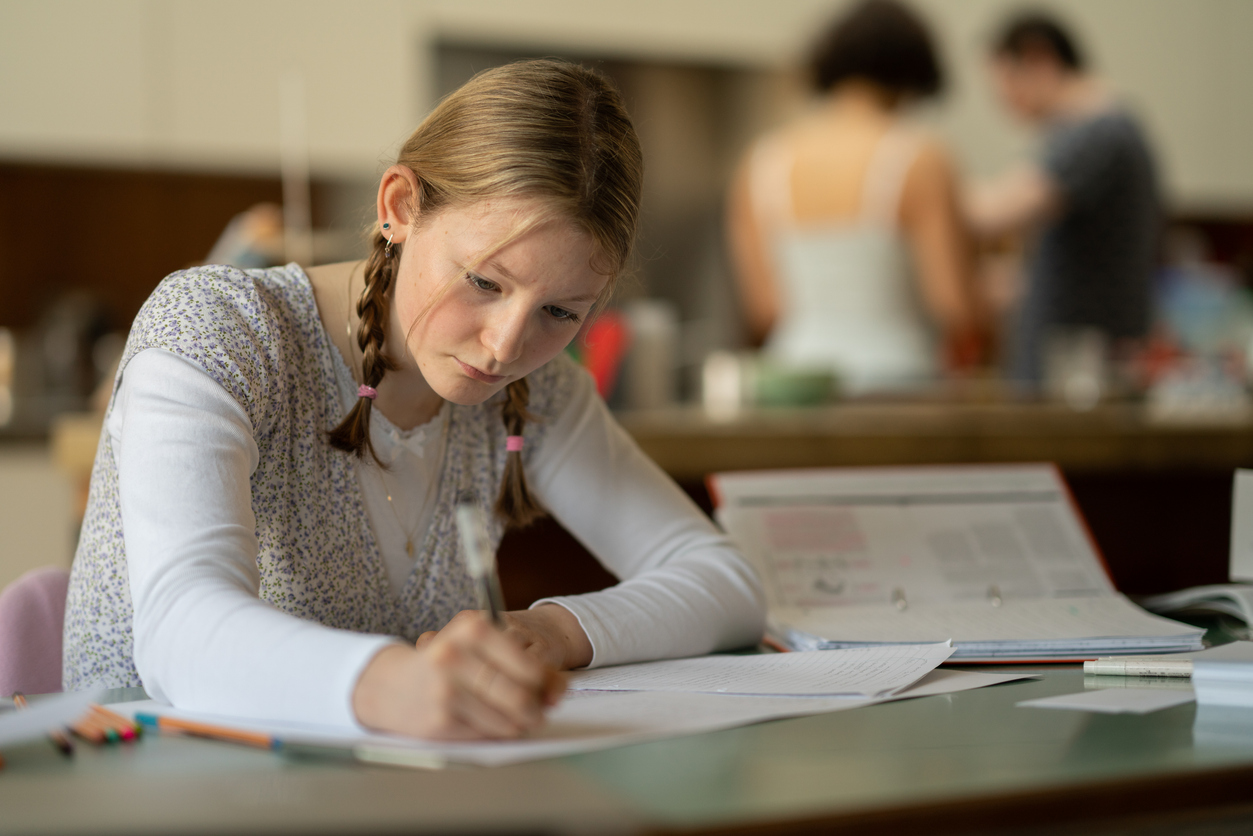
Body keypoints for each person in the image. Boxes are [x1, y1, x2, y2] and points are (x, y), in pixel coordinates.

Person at [62, 60, 765, 740]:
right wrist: (393, 683)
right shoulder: (221, 329)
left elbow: (725, 581)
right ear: (400, 206)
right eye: (484, 283)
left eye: (559, 313)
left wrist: (552, 632)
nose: (503, 347)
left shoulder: (535, 386)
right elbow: (179, 630)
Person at [728, 0, 985, 394]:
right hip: (901, 382)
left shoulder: (762, 161)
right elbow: (953, 305)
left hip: (796, 383)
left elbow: (764, 310)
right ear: (912, 72)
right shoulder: (920, 157)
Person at [966, 13, 1160, 385]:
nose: (1005, 103)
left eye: (1005, 84)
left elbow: (993, 211)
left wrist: (915, 175)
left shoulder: (1096, 133)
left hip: (1075, 375)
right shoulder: (1098, 131)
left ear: (1039, 58)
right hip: (1073, 366)